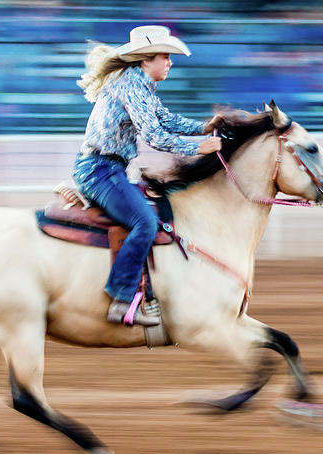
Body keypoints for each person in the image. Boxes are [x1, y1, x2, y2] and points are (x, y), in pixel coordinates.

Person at [74, 25, 222, 327]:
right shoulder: (132, 85)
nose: (169, 62)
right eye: (165, 56)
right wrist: (199, 148)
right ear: (145, 60)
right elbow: (154, 134)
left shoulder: (138, 85)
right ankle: (122, 299)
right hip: (100, 170)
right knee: (144, 222)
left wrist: (203, 127)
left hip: (107, 168)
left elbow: (164, 119)